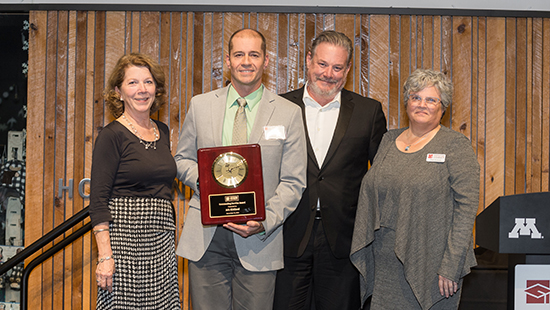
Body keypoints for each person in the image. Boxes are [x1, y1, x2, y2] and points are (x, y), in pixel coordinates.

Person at [174, 28, 307, 310]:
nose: (246, 61)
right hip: (206, 237)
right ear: (228, 60)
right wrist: (207, 181)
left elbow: (294, 181)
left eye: (254, 54)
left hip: (259, 238)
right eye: (239, 54)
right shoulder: (200, 106)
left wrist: (265, 221)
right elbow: (182, 160)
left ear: (266, 61)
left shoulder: (288, 113)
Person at [273, 30, 387, 310]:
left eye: (337, 67)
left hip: (344, 241)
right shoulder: (278, 107)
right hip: (288, 233)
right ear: (309, 60)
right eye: (322, 64)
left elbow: (382, 177)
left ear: (348, 69)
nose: (328, 73)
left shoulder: (368, 111)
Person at [350, 68, 480, 309]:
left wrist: (451, 265)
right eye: (415, 97)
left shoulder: (455, 145)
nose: (422, 104)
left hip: (432, 263)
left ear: (443, 107)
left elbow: (466, 209)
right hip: (385, 261)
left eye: (431, 99)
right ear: (407, 102)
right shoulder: (389, 140)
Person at [89, 53, 180, 309]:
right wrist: (105, 256)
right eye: (133, 83)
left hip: (161, 241)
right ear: (118, 92)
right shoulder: (111, 135)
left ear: (156, 89)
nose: (142, 90)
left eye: (148, 82)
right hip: (124, 243)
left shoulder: (162, 131)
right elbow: (98, 201)